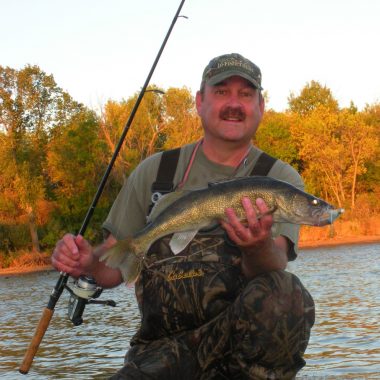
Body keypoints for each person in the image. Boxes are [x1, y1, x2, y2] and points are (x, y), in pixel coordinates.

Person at [52, 53, 315, 379]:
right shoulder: (156, 172)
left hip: (241, 350)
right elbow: (114, 269)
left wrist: (256, 246)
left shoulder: (279, 179)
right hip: (160, 351)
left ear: (261, 106)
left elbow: (274, 262)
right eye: (221, 92)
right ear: (199, 102)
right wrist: (87, 262)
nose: (234, 103)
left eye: (246, 94)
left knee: (286, 291)